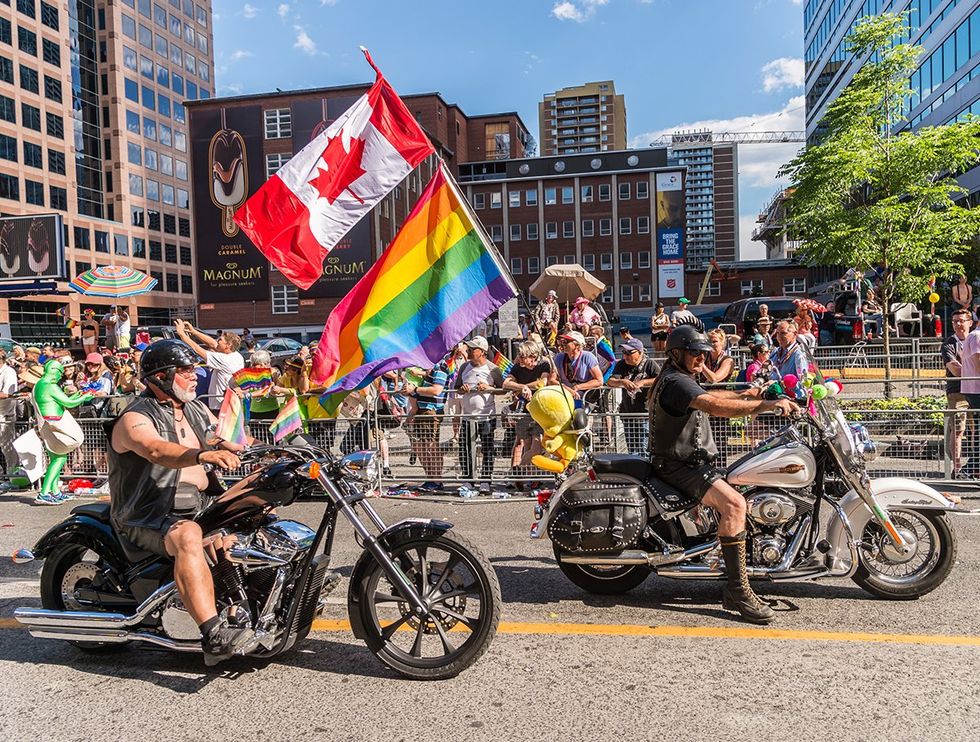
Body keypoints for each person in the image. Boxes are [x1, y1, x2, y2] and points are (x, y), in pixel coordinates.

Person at [108, 339, 250, 665]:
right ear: (161, 376)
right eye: (186, 371)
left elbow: (220, 437)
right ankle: (213, 634)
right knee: (188, 536)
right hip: (149, 511)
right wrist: (202, 454)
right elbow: (156, 449)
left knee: (250, 513)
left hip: (197, 504)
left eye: (194, 370)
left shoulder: (193, 409)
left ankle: (241, 608)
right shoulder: (135, 417)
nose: (194, 376)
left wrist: (273, 447)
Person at [649, 326, 798, 623]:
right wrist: (768, 405)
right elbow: (714, 406)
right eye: (695, 353)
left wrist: (746, 393)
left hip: (688, 462)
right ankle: (737, 591)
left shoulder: (682, 379)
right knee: (735, 505)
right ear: (676, 353)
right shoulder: (676, 382)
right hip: (681, 465)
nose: (701, 358)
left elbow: (713, 394)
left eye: (705, 353)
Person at [454, 336, 505, 491]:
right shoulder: (464, 367)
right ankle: (468, 479)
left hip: (486, 416)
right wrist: (462, 389)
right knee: (465, 448)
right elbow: (457, 388)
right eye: (468, 348)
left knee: (487, 448)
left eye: (472, 349)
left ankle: (485, 480)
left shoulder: (493, 368)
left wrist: (489, 388)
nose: (468, 351)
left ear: (482, 352)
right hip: (468, 416)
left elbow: (503, 389)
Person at [502, 342, 551, 478]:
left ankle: (518, 470)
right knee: (527, 445)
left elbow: (542, 382)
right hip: (524, 412)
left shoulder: (543, 365)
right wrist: (523, 387)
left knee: (537, 446)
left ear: (533, 356)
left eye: (523, 356)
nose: (520, 358)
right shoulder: (518, 367)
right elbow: (506, 383)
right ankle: (529, 477)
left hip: (540, 411)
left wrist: (524, 387)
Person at [173, 319, 244, 411]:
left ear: (228, 345)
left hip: (220, 406)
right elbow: (213, 344)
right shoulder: (236, 355)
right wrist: (194, 332)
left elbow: (197, 349)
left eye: (220, 340)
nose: (217, 341)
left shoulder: (225, 359)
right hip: (227, 404)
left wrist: (181, 334)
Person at [606, 338, 660, 456]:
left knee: (644, 449)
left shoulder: (649, 364)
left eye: (629, 353)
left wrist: (644, 382)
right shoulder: (621, 364)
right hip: (627, 413)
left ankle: (644, 472)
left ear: (640, 352)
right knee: (632, 450)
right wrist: (622, 382)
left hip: (644, 414)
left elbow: (660, 379)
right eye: (624, 353)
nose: (625, 356)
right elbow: (610, 381)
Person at [404, 359, 449, 490]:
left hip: (430, 410)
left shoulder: (440, 367)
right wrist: (410, 391)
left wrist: (415, 389)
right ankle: (430, 478)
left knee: (431, 446)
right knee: (420, 446)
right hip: (421, 410)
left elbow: (437, 390)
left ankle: (436, 480)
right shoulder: (429, 367)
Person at [945, 309, 973, 478]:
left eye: (961, 321)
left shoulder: (975, 340)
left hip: (975, 390)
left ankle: (974, 465)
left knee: (975, 430)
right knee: (958, 430)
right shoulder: (949, 344)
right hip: (957, 392)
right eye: (955, 321)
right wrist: (974, 370)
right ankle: (957, 467)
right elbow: (954, 369)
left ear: (970, 322)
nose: (958, 324)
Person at [549, 330, 604, 402]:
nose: (563, 344)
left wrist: (578, 387)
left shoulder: (588, 357)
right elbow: (551, 380)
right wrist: (567, 389)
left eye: (566, 342)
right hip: (564, 395)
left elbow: (599, 381)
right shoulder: (559, 357)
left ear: (577, 345)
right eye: (562, 342)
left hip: (584, 397)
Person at [769, 320, 808, 394]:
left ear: (795, 334)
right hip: (774, 397)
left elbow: (804, 383)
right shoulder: (775, 352)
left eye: (783, 333)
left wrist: (779, 383)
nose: (779, 337)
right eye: (778, 333)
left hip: (792, 399)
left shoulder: (799, 355)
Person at [0, 349, 20, 480]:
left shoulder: (9, 372)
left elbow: (8, 393)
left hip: (5, 414)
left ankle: (13, 476)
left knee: (7, 447)